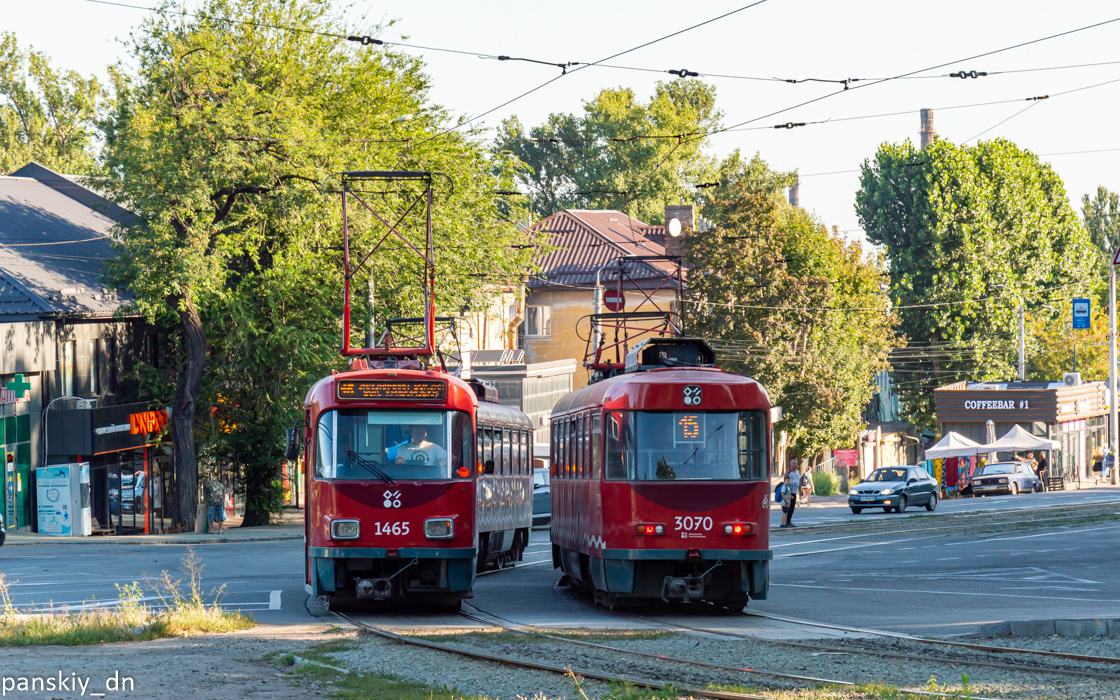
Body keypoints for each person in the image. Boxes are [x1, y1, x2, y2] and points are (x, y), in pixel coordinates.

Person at [204, 471, 227, 535]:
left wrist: (205, 501)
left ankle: (211, 530)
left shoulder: (209, 484)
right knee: (220, 517)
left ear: (211, 479)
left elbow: (206, 494)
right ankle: (220, 530)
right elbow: (223, 494)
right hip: (220, 502)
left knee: (210, 516)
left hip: (211, 502)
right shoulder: (221, 485)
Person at [785, 459, 800, 527]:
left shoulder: (797, 472)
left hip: (794, 492)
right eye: (793, 463)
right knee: (788, 507)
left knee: (792, 507)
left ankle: (789, 521)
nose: (794, 465)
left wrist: (800, 491)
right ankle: (786, 522)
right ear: (791, 464)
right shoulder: (789, 471)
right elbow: (785, 480)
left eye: (795, 463)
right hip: (789, 492)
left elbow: (798, 481)